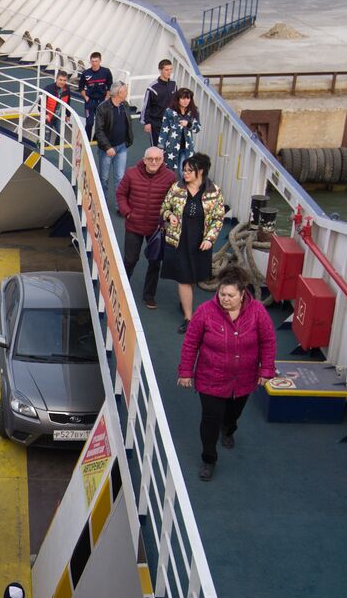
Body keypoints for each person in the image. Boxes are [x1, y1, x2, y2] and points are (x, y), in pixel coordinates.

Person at [177, 266, 276, 481]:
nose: (225, 299)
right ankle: (209, 459)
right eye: (222, 294)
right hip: (210, 378)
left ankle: (229, 429)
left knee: (232, 414)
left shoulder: (258, 311)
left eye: (231, 295)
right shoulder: (204, 311)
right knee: (210, 419)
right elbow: (191, 343)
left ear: (242, 294)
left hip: (243, 379)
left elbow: (268, 342)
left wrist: (266, 369)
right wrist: (186, 372)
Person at [160, 152, 225, 334]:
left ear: (201, 171)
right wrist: (170, 216)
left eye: (189, 170)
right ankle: (189, 318)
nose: (185, 173)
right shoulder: (177, 188)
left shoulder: (214, 192)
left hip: (200, 243)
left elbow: (218, 218)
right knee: (184, 278)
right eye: (184, 170)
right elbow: (164, 208)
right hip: (179, 241)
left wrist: (209, 239)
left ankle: (185, 302)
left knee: (193, 277)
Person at [116, 147, 176, 309]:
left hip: (156, 228)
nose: (154, 162)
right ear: (144, 160)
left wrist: (167, 218)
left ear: (162, 160)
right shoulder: (131, 173)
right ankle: (122, 291)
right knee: (130, 260)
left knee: (155, 262)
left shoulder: (170, 177)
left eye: (158, 159)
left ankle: (149, 295)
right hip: (134, 225)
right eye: (150, 159)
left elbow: (173, 201)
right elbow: (121, 194)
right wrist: (127, 213)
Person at [94, 81, 133, 200]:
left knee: (120, 178)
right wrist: (107, 147)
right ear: (118, 93)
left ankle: (119, 205)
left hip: (122, 147)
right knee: (104, 179)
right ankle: (102, 203)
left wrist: (127, 141)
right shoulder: (102, 108)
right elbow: (99, 130)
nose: (127, 93)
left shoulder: (125, 105)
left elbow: (128, 123)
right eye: (125, 91)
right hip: (106, 150)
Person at [158, 88, 202, 175]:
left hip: (187, 148)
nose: (186, 101)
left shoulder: (194, 111)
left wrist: (188, 124)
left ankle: (184, 184)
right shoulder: (169, 112)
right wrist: (160, 147)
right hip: (171, 147)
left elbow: (197, 128)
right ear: (178, 99)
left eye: (188, 98)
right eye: (183, 98)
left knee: (185, 172)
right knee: (169, 173)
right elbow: (164, 130)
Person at [141, 59, 177, 148]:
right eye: (166, 70)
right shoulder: (152, 87)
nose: (169, 72)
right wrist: (147, 122)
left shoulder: (173, 84)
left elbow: (176, 102)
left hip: (171, 122)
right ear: (160, 70)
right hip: (156, 124)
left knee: (170, 148)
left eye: (171, 69)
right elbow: (146, 106)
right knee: (157, 149)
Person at [78, 51, 113, 140]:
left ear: (100, 61)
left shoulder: (106, 72)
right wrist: (85, 97)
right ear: (90, 61)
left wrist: (106, 98)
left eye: (96, 61)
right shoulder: (86, 73)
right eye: (92, 61)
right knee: (89, 123)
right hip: (90, 101)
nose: (94, 63)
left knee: (101, 123)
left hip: (102, 101)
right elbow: (81, 87)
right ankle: (87, 142)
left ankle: (96, 140)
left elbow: (110, 86)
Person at [43, 69, 72, 145]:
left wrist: (68, 115)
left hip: (59, 116)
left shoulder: (67, 89)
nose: (62, 82)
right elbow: (40, 103)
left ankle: (57, 148)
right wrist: (45, 114)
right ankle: (45, 149)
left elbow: (68, 102)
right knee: (46, 137)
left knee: (61, 134)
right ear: (56, 79)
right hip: (48, 116)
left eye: (64, 80)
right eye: (60, 80)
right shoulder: (48, 88)